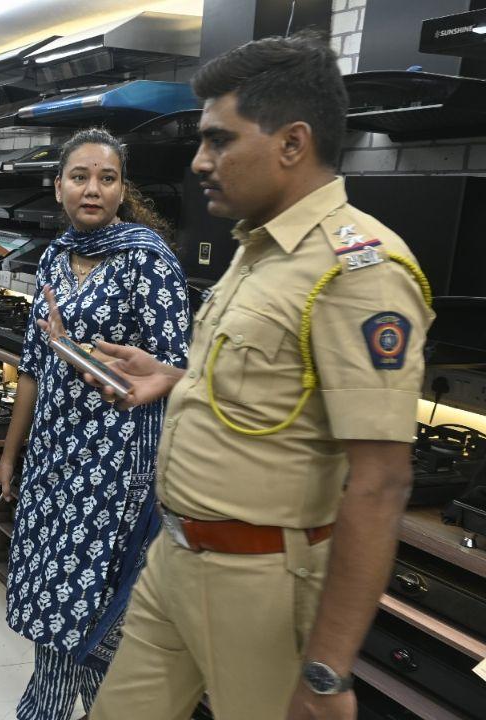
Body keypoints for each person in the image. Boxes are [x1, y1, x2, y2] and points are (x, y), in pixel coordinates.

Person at [83, 34, 433, 720]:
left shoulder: (357, 273)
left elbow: (382, 482)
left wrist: (328, 673)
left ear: (293, 143)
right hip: (177, 559)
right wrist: (175, 379)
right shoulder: (259, 247)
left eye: (218, 140)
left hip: (263, 583)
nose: (200, 161)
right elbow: (268, 401)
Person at [0, 128, 190, 720]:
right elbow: (33, 370)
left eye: (107, 178)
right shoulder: (52, 256)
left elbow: (180, 372)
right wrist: (8, 456)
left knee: (96, 607)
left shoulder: (149, 262)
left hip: (117, 465)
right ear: (58, 187)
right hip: (53, 456)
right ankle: (49, 705)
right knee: (53, 598)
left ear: (123, 190)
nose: (92, 188)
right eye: (80, 177)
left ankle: (59, 709)